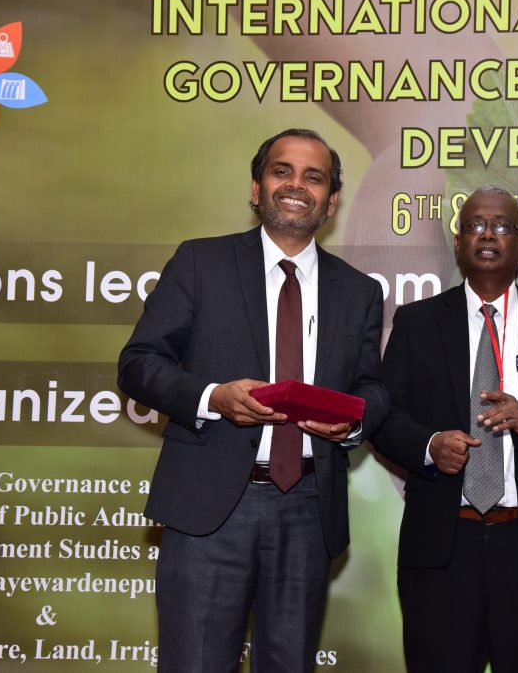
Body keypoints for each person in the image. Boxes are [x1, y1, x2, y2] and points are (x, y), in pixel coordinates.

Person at [117, 128, 388, 672]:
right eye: (282, 171)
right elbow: (139, 362)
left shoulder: (359, 291)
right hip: (209, 507)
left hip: (308, 509)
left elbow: (371, 387)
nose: (296, 185)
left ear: (332, 200)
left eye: (314, 177)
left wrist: (353, 424)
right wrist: (213, 397)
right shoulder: (200, 262)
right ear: (256, 188)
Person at [372, 186, 518, 673]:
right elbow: (384, 417)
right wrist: (429, 445)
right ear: (458, 243)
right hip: (441, 545)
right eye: (475, 225)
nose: (487, 234)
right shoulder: (415, 323)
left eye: (502, 226)